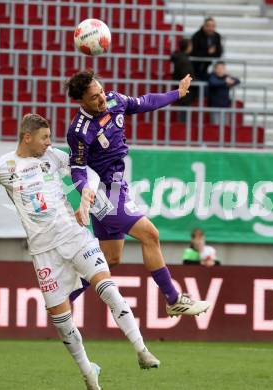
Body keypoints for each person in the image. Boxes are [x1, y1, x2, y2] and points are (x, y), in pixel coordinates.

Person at [0, 113, 160, 390]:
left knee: (107, 287)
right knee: (61, 321)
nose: (49, 143)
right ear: (27, 138)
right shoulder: (2, 166)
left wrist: (87, 195)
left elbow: (90, 174)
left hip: (74, 236)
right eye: (44, 138)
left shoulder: (54, 158)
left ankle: (142, 350)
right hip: (43, 251)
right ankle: (89, 373)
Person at [65, 70, 210, 318]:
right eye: (94, 97)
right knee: (150, 235)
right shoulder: (78, 130)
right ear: (81, 101)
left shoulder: (114, 101)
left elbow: (145, 102)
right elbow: (77, 169)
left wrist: (177, 93)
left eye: (101, 91)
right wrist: (84, 191)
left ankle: (62, 298)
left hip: (118, 187)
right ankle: (174, 299)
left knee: (110, 258)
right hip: (105, 193)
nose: (101, 99)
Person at [171, 38, 195, 122]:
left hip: (182, 90)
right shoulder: (183, 60)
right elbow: (187, 76)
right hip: (185, 90)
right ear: (187, 47)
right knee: (184, 116)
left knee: (183, 114)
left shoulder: (180, 58)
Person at [208, 61, 240, 125]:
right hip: (214, 107)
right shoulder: (212, 76)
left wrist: (230, 81)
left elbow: (237, 80)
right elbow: (213, 82)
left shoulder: (226, 77)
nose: (220, 70)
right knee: (215, 126)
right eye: (219, 68)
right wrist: (225, 82)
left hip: (225, 106)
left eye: (222, 68)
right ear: (215, 69)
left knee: (225, 126)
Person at [191, 17, 223, 81]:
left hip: (210, 65)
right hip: (197, 68)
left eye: (213, 26)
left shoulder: (217, 36)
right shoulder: (196, 36)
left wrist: (211, 53)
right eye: (208, 26)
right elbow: (194, 53)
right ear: (204, 26)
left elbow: (219, 52)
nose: (211, 28)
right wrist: (207, 52)